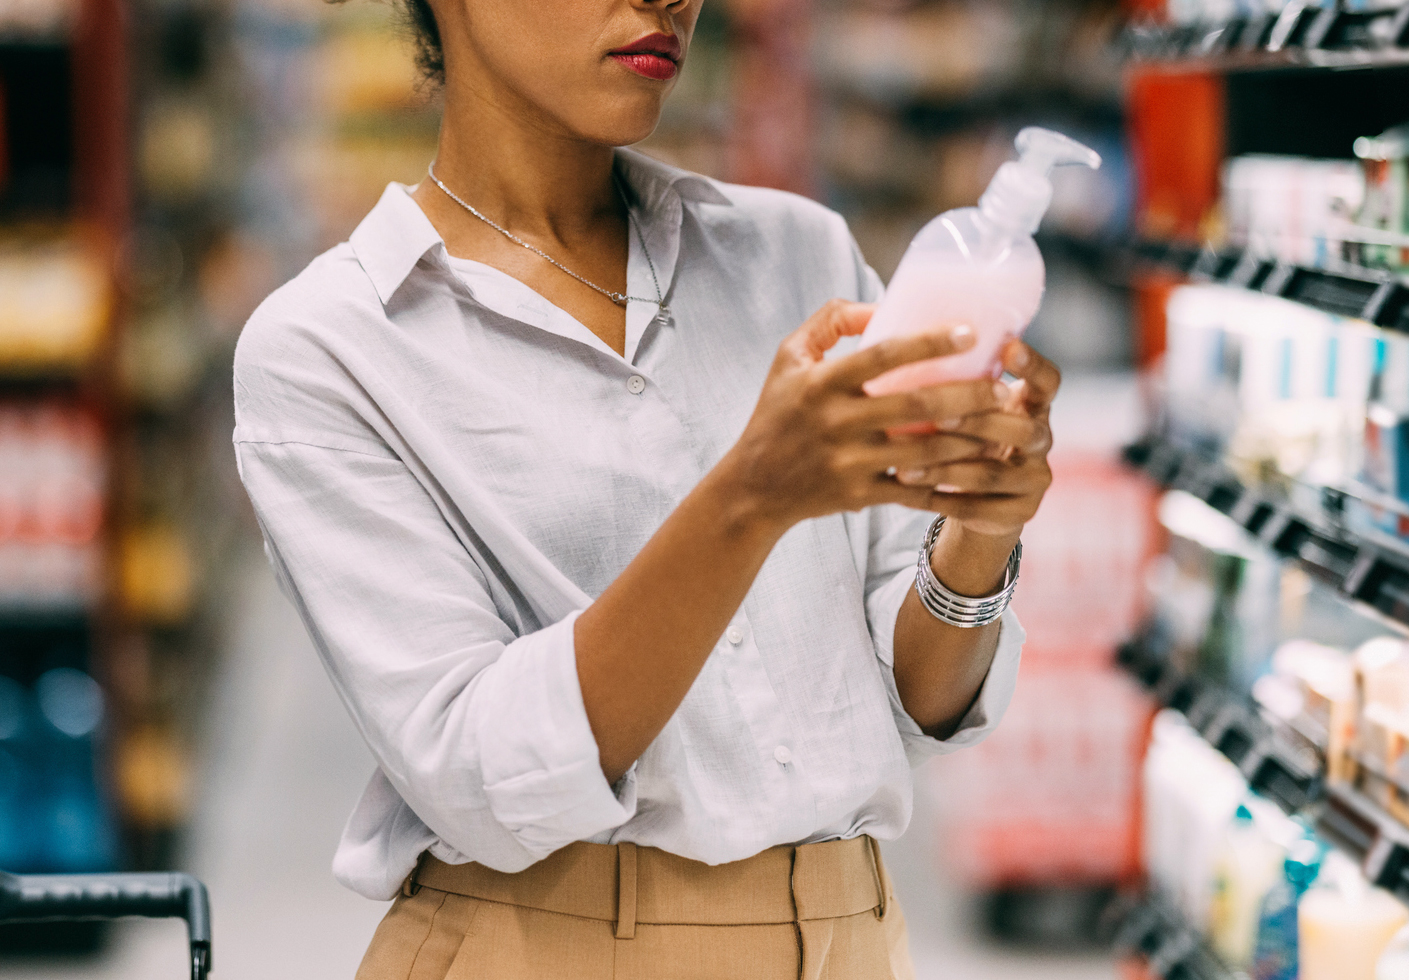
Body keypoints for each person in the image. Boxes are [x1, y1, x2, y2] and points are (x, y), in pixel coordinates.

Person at [232, 0, 1059, 976]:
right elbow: (481, 770)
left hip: (847, 937)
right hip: (536, 944)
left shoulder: (800, 257)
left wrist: (978, 532)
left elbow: (917, 696)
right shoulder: (334, 346)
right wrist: (750, 497)